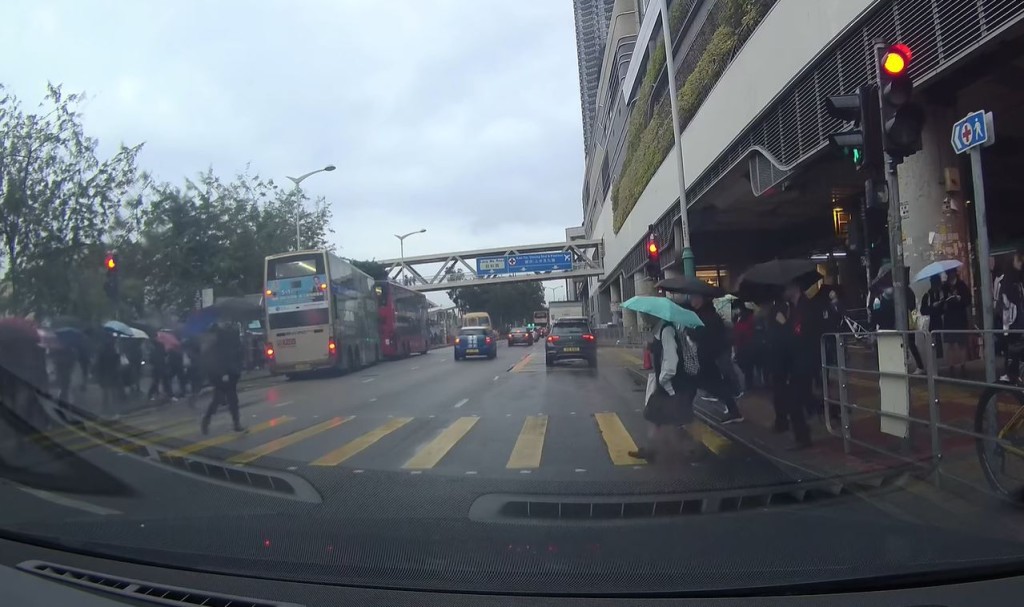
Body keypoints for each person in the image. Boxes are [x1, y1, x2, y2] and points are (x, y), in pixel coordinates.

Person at [627, 315, 699, 462]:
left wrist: (663, 379)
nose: (644, 318)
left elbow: (671, 361)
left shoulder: (666, 331)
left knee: (678, 416)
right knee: (657, 416)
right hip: (670, 384)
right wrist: (652, 346)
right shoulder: (663, 331)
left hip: (673, 383)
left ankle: (691, 448)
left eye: (645, 315)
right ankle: (652, 449)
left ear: (655, 316)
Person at [681, 293, 743, 423]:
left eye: (695, 297)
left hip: (708, 356)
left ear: (702, 299)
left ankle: (683, 413)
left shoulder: (709, 316)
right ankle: (733, 410)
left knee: (705, 384)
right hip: (706, 355)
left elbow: (702, 335)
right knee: (700, 383)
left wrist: (689, 331)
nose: (693, 300)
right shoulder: (702, 314)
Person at [771, 281, 814, 449]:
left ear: (794, 288)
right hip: (794, 361)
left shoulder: (805, 308)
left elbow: (800, 334)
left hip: (804, 360)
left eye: (786, 288)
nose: (784, 292)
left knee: (795, 400)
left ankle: (803, 437)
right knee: (798, 398)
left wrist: (785, 324)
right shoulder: (791, 308)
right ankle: (803, 432)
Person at [200, 323, 245, 435]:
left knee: (224, 399)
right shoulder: (218, 333)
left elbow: (236, 352)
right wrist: (223, 372)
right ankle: (235, 423)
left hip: (231, 371)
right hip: (222, 373)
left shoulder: (232, 332)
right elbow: (218, 355)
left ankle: (207, 421)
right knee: (226, 398)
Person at [997, 251, 1024, 383]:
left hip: (1018, 319)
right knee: (1014, 347)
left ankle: (1013, 373)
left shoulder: (1018, 280)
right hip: (1012, 321)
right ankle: (1011, 374)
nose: (1020, 262)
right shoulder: (1007, 282)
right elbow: (1005, 303)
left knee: (1016, 348)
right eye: (1017, 260)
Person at [942, 268, 971, 377]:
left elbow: (968, 300)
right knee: (950, 343)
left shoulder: (961, 285)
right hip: (949, 317)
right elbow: (942, 300)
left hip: (960, 317)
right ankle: (951, 366)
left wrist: (960, 299)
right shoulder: (944, 287)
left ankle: (963, 365)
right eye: (948, 273)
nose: (950, 275)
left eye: (952, 273)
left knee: (962, 342)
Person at [920, 274, 946, 366]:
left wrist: (940, 305)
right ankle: (934, 364)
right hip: (931, 323)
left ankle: (940, 362)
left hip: (941, 322)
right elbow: (923, 311)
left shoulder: (942, 294)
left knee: (940, 343)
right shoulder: (927, 295)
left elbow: (945, 308)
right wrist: (932, 307)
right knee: (932, 343)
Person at [95, 333, 121, 417]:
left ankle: (104, 411)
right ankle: (112, 412)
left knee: (106, 394)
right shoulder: (113, 350)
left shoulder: (102, 350)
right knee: (112, 394)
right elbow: (116, 362)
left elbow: (99, 363)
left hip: (105, 374)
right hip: (111, 374)